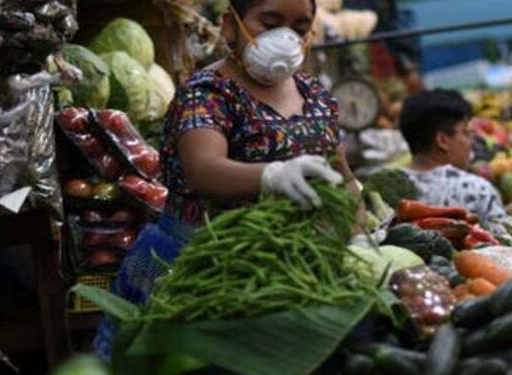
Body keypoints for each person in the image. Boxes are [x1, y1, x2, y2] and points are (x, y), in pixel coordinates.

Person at [93, 0, 360, 360]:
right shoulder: (207, 92)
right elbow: (205, 170)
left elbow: (342, 176)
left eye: (299, 26)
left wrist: (358, 236)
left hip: (290, 273)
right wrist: (273, 174)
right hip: (197, 267)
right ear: (230, 25)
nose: (286, 36)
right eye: (270, 22)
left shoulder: (316, 96)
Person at [399, 89, 505, 225]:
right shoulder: (478, 190)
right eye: (466, 132)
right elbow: (506, 240)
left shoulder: (384, 193)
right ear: (442, 141)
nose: (471, 142)